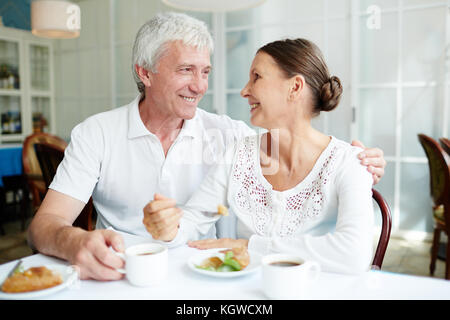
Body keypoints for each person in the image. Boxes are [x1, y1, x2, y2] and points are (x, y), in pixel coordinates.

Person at [28, 12, 386, 281]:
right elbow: (44, 225)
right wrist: (76, 242)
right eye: (186, 70)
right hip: (121, 277)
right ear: (145, 73)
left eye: (206, 72)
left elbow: (291, 135)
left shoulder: (230, 136)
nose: (200, 86)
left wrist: (358, 161)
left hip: (209, 279)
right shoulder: (97, 134)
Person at [145, 38, 376, 274]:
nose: (244, 91)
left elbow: (354, 254)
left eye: (256, 77)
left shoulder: (349, 162)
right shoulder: (239, 153)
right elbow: (195, 218)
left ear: (294, 87)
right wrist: (169, 229)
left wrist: (249, 246)